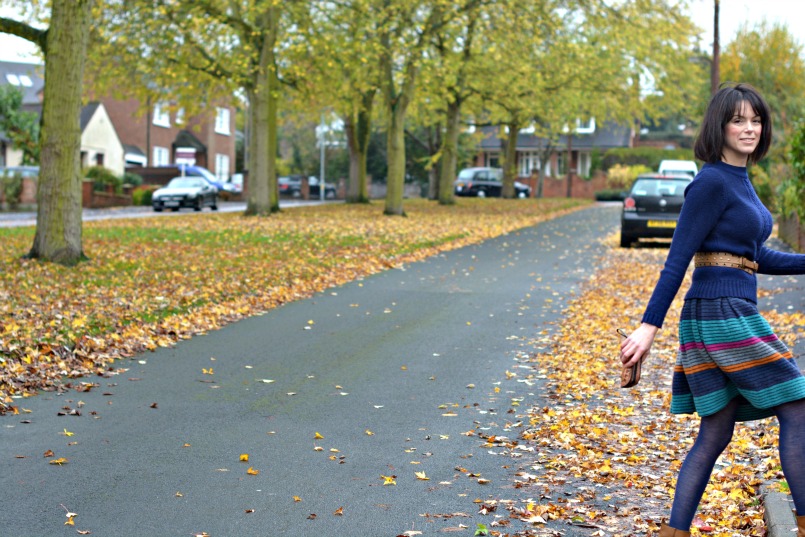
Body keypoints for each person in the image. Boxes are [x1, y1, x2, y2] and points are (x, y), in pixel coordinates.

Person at [619, 83, 805, 537]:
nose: (749, 128)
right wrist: (648, 327)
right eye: (738, 119)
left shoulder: (740, 180)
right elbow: (677, 258)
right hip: (719, 313)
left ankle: (675, 531)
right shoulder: (710, 181)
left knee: (717, 430)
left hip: (727, 308)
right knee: (798, 405)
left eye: (756, 120)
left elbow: (755, 257)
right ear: (719, 126)